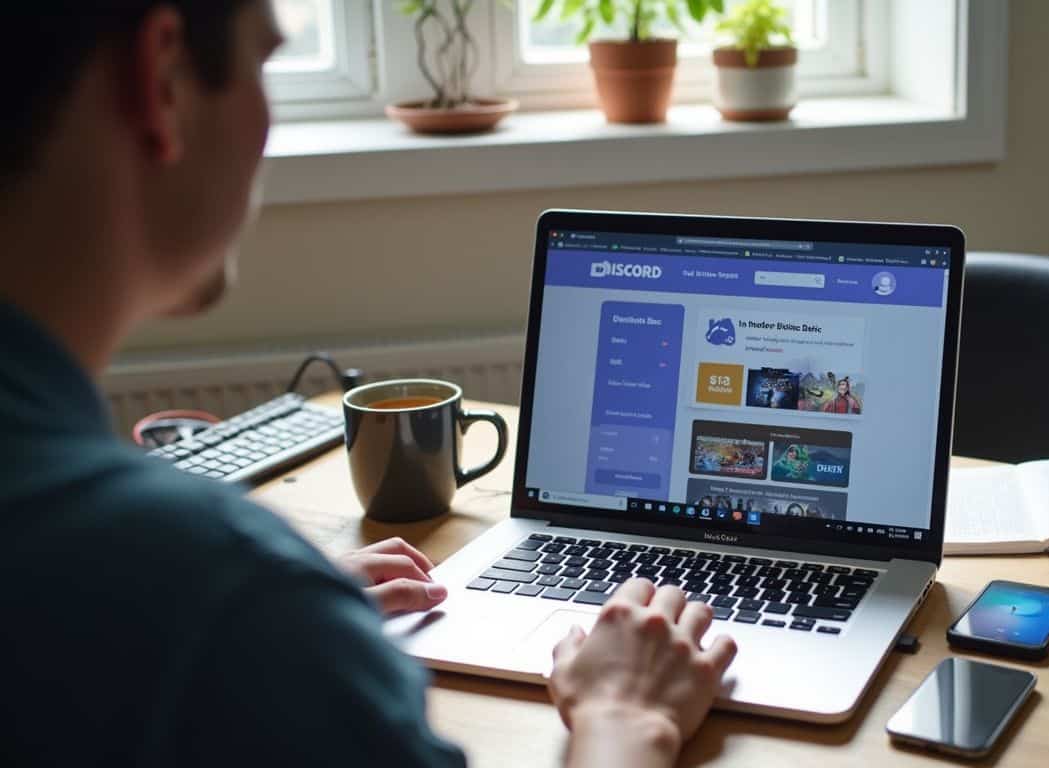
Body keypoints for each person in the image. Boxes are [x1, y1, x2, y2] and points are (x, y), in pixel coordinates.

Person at [0, 3, 735, 766]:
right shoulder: (222, 594)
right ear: (163, 82)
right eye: (264, 61)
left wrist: (283, 612)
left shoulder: (215, 594)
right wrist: (623, 721)